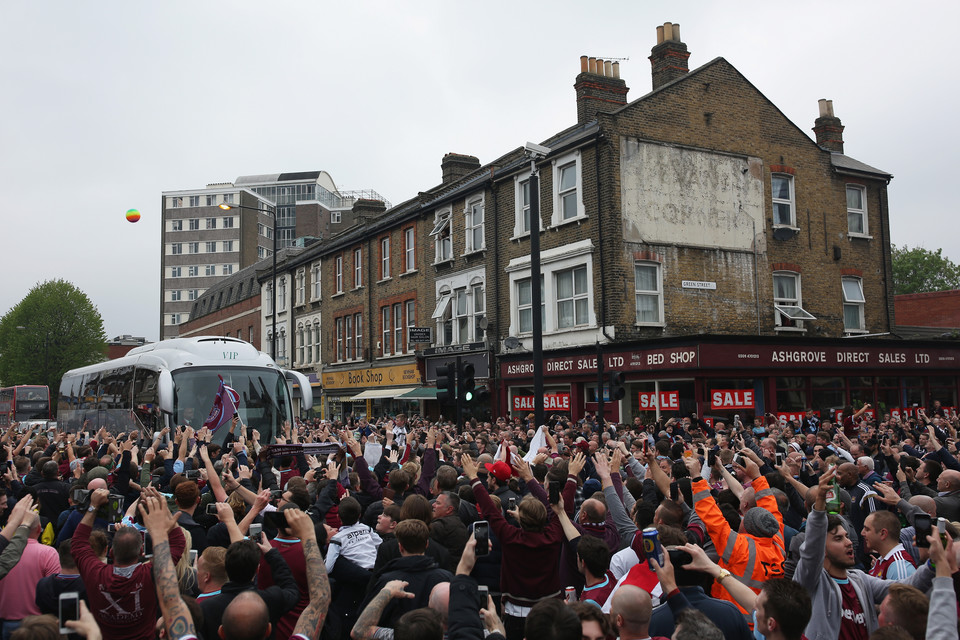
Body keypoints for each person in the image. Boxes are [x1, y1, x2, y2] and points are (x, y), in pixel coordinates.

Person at [793, 468, 936, 639]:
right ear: (821, 548)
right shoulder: (811, 582)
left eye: (846, 537)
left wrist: (934, 563)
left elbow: (906, 587)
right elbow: (810, 552)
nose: (848, 542)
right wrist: (820, 505)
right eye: (838, 539)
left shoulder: (860, 580)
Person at [361, 519, 453, 629]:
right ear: (427, 544)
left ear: (400, 547)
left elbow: (368, 617)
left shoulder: (387, 581)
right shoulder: (446, 578)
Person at [0, 507, 58, 638]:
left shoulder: (3, 550)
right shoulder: (48, 553)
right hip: (38, 625)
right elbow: (53, 589)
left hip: (5, 621)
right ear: (39, 529)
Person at [861, 511, 915, 580]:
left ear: (883, 534)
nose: (862, 533)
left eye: (867, 529)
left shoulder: (898, 565)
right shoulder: (882, 560)